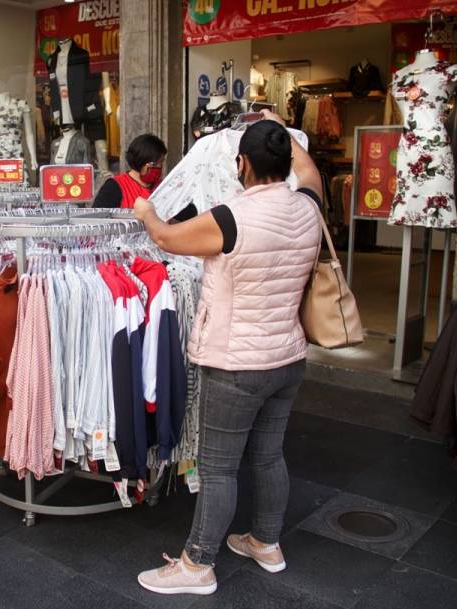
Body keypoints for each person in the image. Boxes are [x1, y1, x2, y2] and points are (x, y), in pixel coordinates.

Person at [133, 110, 322, 596]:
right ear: (285, 159)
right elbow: (312, 172)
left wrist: (146, 212)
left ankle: (198, 563)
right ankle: (266, 541)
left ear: (241, 163)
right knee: (267, 456)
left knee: (218, 467)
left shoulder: (230, 218)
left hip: (235, 364)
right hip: (287, 358)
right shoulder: (308, 205)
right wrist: (280, 126)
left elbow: (165, 238)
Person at [92, 134, 166, 209]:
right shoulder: (114, 187)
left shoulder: (163, 187)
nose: (159, 167)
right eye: (155, 164)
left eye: (161, 162)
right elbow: (97, 218)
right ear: (142, 160)